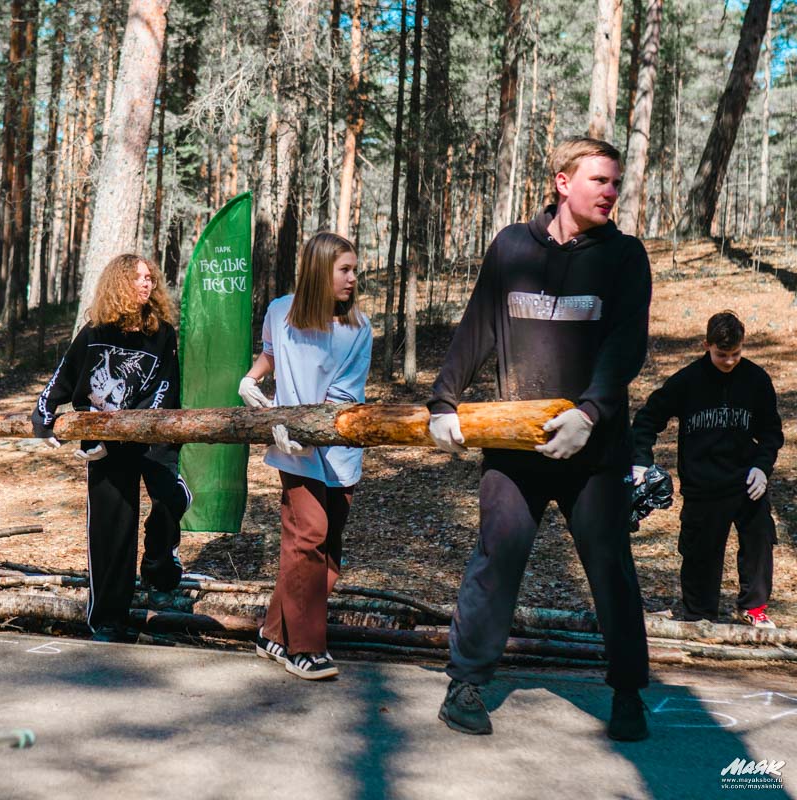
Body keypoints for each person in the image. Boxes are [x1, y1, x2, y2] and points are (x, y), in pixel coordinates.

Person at [427, 137, 651, 740]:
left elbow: (627, 344)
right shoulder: (511, 246)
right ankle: (466, 684)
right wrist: (444, 400)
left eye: (615, 182)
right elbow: (478, 326)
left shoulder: (625, 257)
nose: (611, 191)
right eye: (600, 180)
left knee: (611, 568)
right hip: (516, 441)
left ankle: (628, 692)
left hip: (595, 449)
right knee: (496, 558)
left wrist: (592, 413)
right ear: (562, 182)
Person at [32, 253, 190, 643]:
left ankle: (158, 566)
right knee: (111, 530)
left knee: (173, 498)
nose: (146, 283)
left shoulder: (163, 333)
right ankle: (109, 620)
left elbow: (166, 387)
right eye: (137, 278)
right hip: (107, 445)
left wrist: (140, 427)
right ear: (119, 284)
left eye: (150, 277)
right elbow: (63, 379)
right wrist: (44, 416)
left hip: (152, 437)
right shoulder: (94, 332)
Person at [238, 231, 372, 680]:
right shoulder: (281, 312)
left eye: (355, 269)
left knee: (327, 551)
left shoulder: (358, 329)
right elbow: (271, 354)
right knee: (308, 536)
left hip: (338, 452)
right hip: (292, 452)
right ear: (319, 270)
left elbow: (341, 397)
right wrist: (251, 379)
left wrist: (307, 430)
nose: (354, 278)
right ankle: (306, 648)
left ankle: (273, 634)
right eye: (345, 270)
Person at [631, 311, 783, 628]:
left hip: (746, 480)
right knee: (701, 553)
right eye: (721, 354)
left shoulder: (756, 380)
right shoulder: (687, 381)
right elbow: (647, 419)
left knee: (759, 540)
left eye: (735, 354)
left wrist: (761, 467)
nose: (729, 361)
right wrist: (641, 459)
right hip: (703, 485)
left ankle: (754, 608)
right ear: (706, 345)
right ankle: (700, 617)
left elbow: (771, 432)